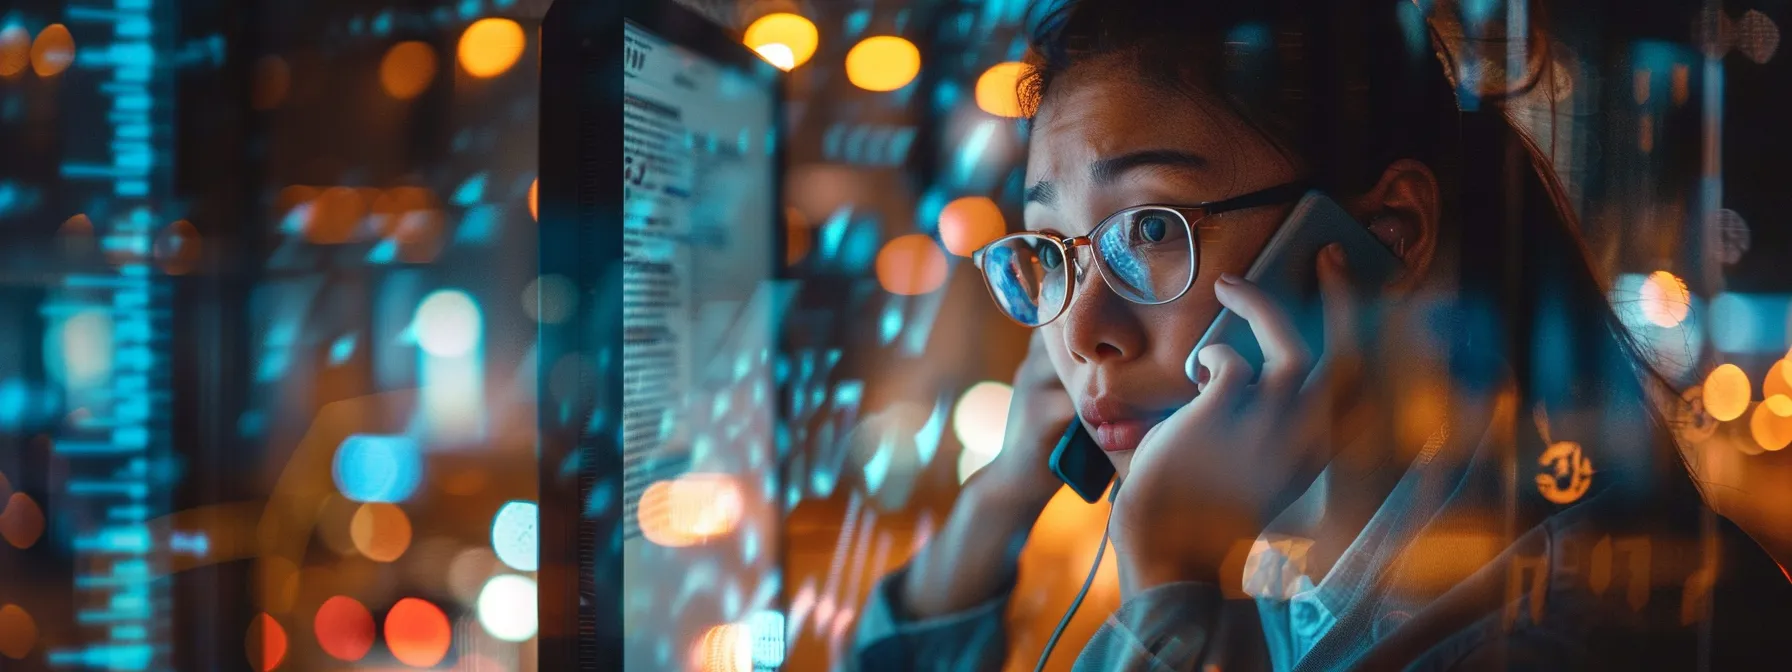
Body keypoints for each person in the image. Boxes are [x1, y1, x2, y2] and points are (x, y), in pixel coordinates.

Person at [850, 0, 1792, 669]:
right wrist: (1003, 496)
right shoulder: (1298, 600)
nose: (1085, 329)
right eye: (1053, 251)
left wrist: (1166, 582)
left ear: (1385, 237)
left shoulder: (1574, 629)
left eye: (1145, 229)